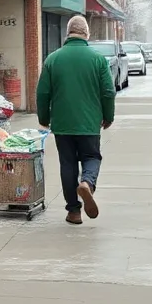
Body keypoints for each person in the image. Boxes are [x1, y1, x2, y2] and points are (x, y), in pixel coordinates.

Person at [35, 15, 116, 225]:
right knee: (92, 157)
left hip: (62, 124)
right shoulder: (98, 60)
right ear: (86, 34)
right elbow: (108, 92)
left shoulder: (52, 59)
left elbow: (43, 93)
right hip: (90, 123)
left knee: (68, 164)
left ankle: (73, 211)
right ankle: (87, 183)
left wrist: (44, 118)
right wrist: (108, 116)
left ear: (68, 33)